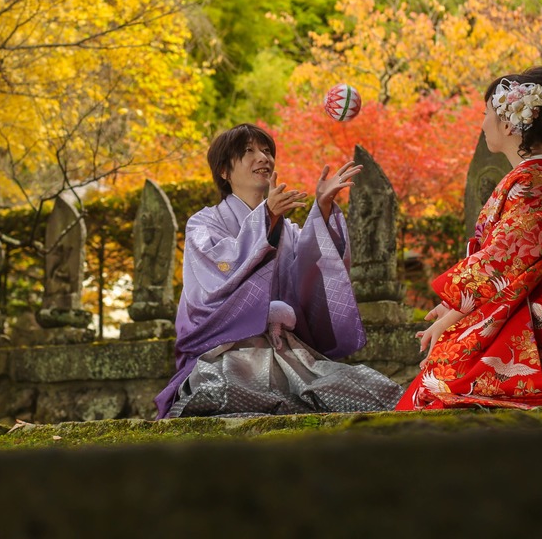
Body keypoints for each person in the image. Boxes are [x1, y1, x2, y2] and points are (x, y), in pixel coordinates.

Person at [397, 67, 542, 411]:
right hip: (537, 315)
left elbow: (503, 258)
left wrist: (448, 317)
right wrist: (451, 305)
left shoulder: (529, 184)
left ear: (507, 124)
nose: (483, 124)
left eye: (486, 114)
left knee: (440, 387)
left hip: (537, 333)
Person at [155, 123, 403, 418]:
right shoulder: (203, 224)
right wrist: (267, 217)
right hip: (225, 351)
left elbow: (310, 274)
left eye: (266, 151)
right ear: (224, 171)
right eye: (248, 151)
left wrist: (322, 209)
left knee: (371, 392)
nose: (263, 158)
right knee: (221, 393)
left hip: (285, 347)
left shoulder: (286, 228)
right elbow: (218, 272)